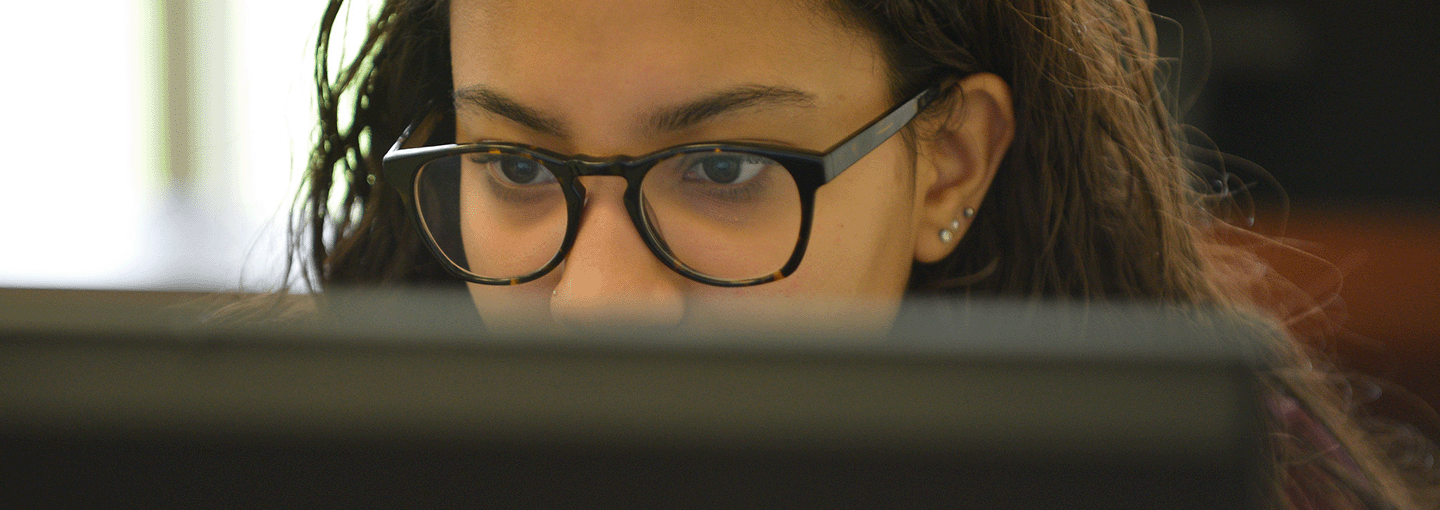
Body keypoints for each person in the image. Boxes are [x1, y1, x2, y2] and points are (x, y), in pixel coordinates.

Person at [294, 0, 1438, 507]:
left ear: (948, 165)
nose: (598, 304)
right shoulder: (310, 461)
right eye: (521, 170)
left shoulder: (1237, 487)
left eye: (726, 170)